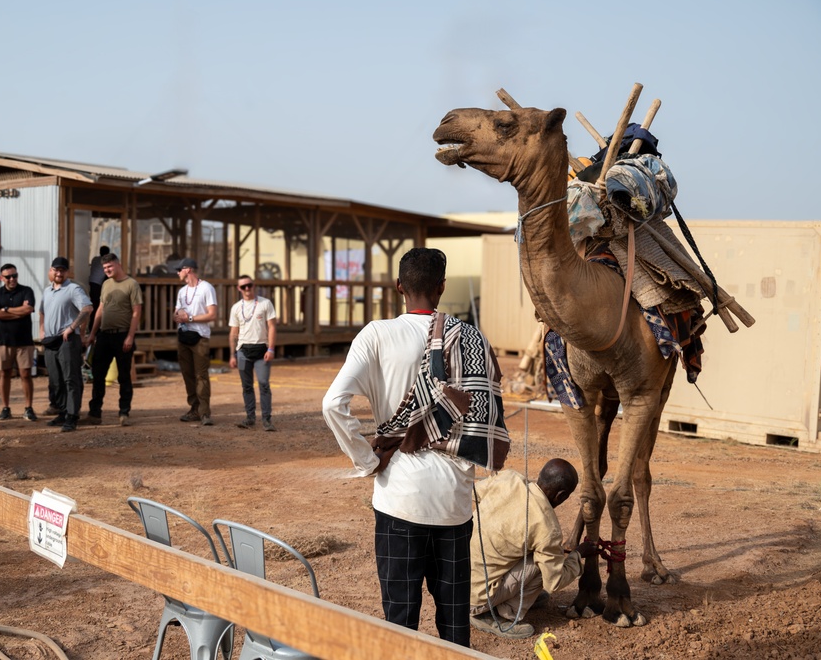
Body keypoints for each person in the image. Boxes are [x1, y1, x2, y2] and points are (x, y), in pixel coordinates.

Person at [322, 247, 508, 647]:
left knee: (399, 625)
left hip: (399, 502)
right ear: (442, 288)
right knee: (454, 628)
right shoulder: (471, 338)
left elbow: (333, 404)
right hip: (453, 504)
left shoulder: (376, 334)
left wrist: (366, 460)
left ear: (398, 287)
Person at [469, 460, 599, 639]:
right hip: (474, 598)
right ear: (561, 496)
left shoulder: (509, 478)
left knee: (530, 547)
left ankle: (502, 597)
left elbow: (472, 493)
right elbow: (554, 582)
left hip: (455, 579)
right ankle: (500, 612)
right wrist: (578, 555)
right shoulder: (547, 527)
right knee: (543, 566)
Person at [84, 252, 142, 426]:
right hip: (104, 335)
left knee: (124, 377)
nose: (107, 270)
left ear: (118, 264)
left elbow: (136, 312)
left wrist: (130, 336)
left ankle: (124, 412)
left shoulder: (132, 284)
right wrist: (92, 333)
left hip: (123, 335)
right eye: (104, 268)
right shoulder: (106, 284)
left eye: (109, 266)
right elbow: (100, 310)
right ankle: (94, 414)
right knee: (98, 375)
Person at [38, 257, 92, 433]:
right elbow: (42, 312)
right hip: (50, 340)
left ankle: (72, 416)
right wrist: (41, 330)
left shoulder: (73, 289)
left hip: (67, 340)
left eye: (62, 270)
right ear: (51, 270)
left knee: (70, 379)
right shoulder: (47, 291)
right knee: (56, 380)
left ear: (67, 272)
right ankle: (62, 412)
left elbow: (87, 308)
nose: (59, 273)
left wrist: (72, 327)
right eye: (56, 270)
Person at [0, 263, 38, 421]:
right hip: (2, 341)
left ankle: (28, 408)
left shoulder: (26, 291)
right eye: (8, 277)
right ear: (1, 278)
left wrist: (6, 309)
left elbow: (28, 309)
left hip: (24, 340)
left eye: (14, 276)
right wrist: (18, 312)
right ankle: (5, 408)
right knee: (4, 374)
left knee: (26, 374)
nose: (12, 279)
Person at [227, 275, 277, 431]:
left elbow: (272, 326)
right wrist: (232, 354)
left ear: (254, 285)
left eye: (249, 285)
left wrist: (271, 348)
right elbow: (233, 333)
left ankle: (267, 419)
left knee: (263, 383)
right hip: (243, 351)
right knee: (246, 386)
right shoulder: (236, 307)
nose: (247, 288)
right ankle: (250, 418)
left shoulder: (265, 303)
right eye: (243, 286)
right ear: (239, 289)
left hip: (262, 350)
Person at [173, 258, 217, 426]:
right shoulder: (181, 292)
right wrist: (177, 316)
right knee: (187, 374)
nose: (178, 273)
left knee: (201, 375)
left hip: (200, 337)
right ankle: (194, 409)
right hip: (183, 337)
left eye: (179, 269)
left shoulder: (206, 288)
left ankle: (205, 413)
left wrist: (190, 318)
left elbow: (212, 315)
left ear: (188, 270)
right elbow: (176, 313)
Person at [88, 245, 110, 328]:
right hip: (98, 285)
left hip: (92, 283)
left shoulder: (95, 259)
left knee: (94, 304)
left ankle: (92, 326)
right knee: (98, 306)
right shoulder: (105, 261)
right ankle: (95, 326)